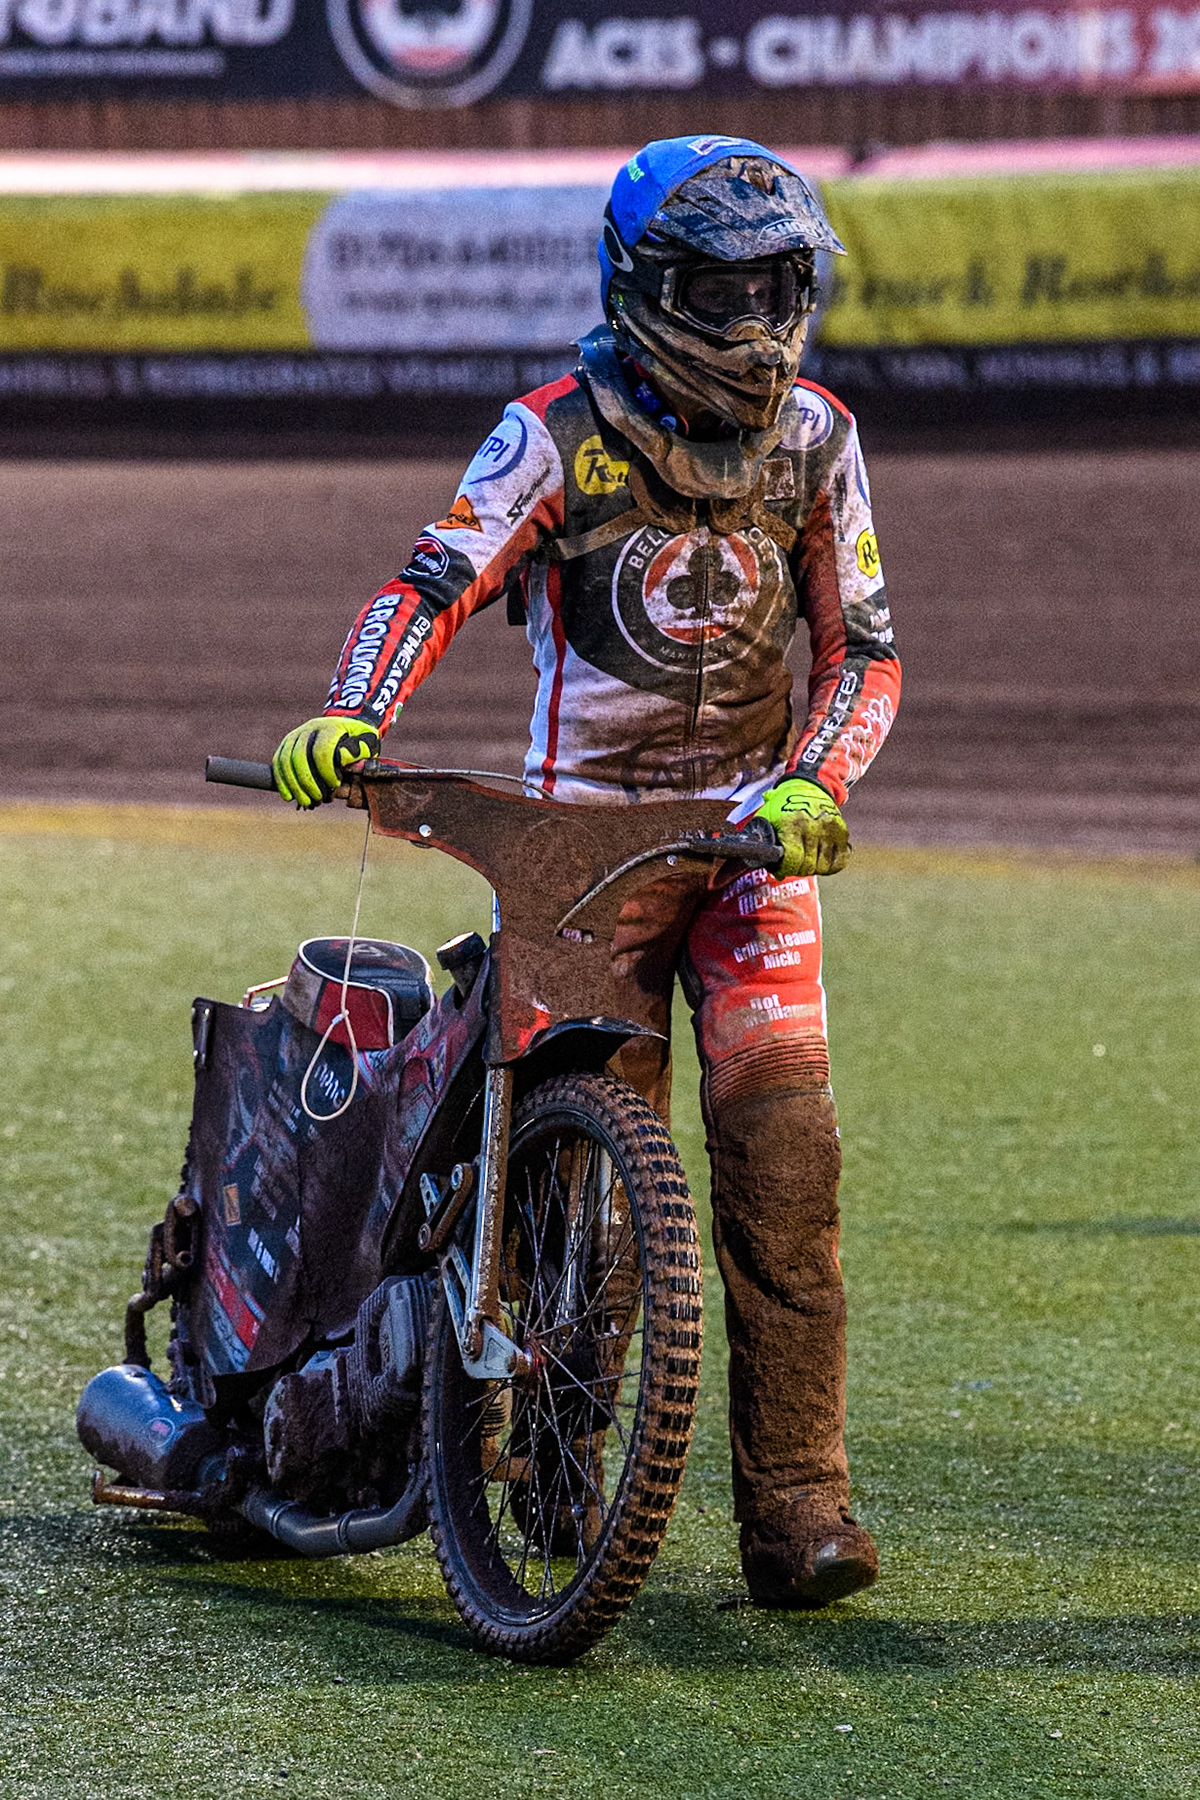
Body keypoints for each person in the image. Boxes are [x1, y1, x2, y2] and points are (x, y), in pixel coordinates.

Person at [272, 135, 901, 1608]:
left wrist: (817, 780)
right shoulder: (556, 430)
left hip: (749, 849)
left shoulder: (818, 437)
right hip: (580, 845)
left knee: (783, 1170)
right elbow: (433, 576)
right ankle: (554, 1483)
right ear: (645, 287)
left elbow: (863, 652)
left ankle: (801, 1509)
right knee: (580, 1192)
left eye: (777, 289)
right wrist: (357, 709)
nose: (756, 329)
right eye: (722, 292)